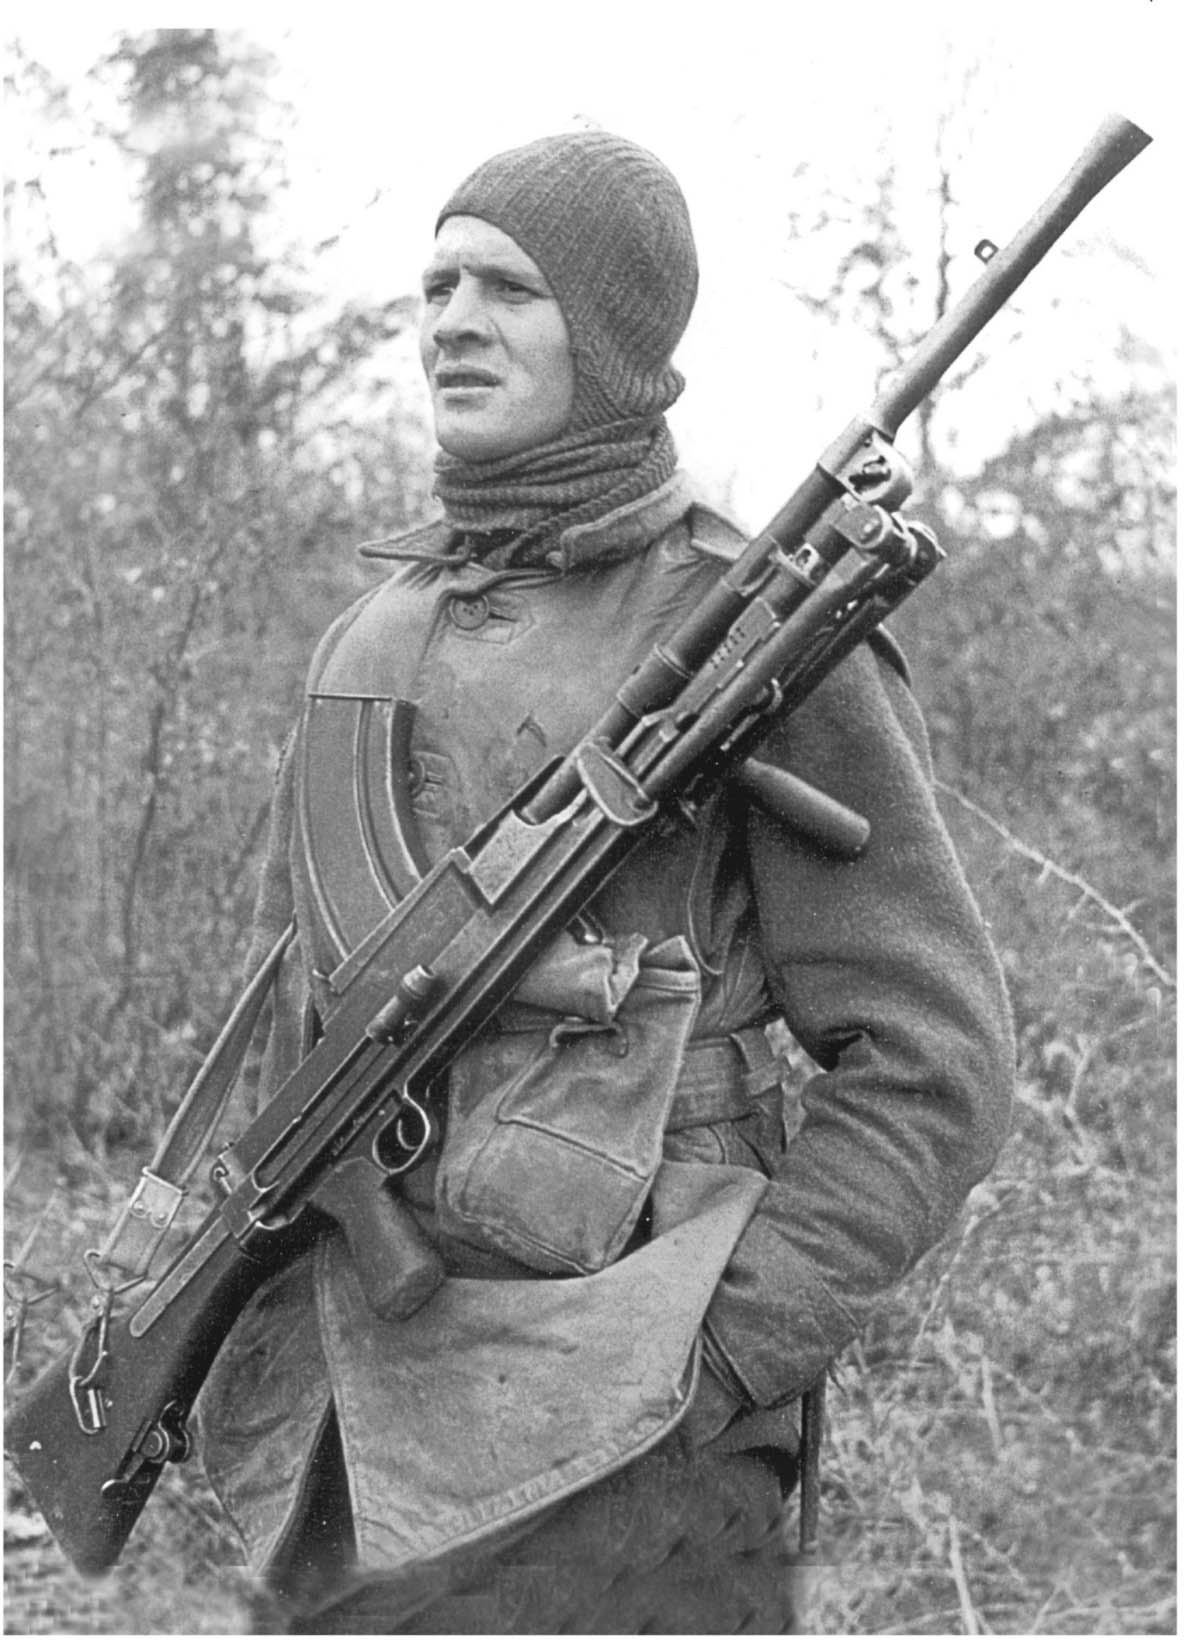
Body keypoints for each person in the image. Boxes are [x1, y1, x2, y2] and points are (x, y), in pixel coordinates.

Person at [194, 130, 1015, 1634]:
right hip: (347, 1457)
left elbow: (934, 1059)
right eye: (435, 283)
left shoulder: (755, 633)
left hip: (628, 1456)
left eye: (507, 287)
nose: (450, 318)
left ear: (620, 330)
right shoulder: (369, 636)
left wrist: (716, 1351)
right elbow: (293, 1033)